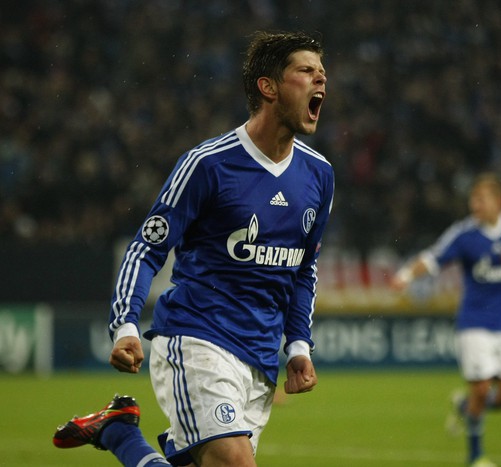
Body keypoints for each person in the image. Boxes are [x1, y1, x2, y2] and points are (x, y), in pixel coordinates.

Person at [53, 30, 333, 467]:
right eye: (307, 71)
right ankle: (119, 432)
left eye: (322, 72)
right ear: (269, 87)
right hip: (198, 337)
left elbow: (303, 270)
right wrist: (125, 325)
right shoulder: (208, 164)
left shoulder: (319, 174)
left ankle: (119, 432)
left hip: (260, 360)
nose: (321, 79)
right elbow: (147, 247)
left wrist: (297, 345)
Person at [391, 172, 501, 467]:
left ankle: (466, 406)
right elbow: (433, 258)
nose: (475, 205)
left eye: (481, 200)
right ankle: (476, 456)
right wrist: (406, 275)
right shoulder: (464, 234)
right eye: (473, 200)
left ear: (499, 201)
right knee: (481, 387)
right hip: (474, 323)